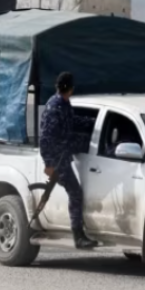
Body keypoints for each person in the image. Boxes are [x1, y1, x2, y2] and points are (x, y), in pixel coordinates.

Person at [39, 72, 98, 249]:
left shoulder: (62, 103)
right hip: (58, 160)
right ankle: (78, 236)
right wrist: (49, 164)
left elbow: (72, 122)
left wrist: (92, 122)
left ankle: (79, 234)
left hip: (63, 154)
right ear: (70, 88)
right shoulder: (55, 107)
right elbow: (45, 139)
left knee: (73, 192)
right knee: (75, 193)